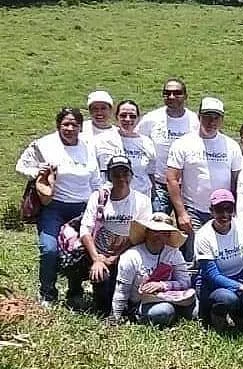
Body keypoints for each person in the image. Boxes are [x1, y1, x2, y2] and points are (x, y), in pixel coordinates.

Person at [15, 107, 102, 307]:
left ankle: (75, 291)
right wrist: (38, 170)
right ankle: (47, 293)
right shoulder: (44, 144)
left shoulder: (88, 147)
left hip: (81, 208)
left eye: (74, 125)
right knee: (49, 249)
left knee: (78, 251)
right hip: (53, 207)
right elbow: (21, 166)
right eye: (66, 124)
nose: (70, 128)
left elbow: (95, 179)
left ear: (81, 127)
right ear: (58, 125)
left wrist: (98, 202)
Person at [166, 97, 242, 263]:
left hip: (223, 211)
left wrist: (235, 210)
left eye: (216, 117)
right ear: (199, 116)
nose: (211, 122)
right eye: (207, 116)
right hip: (194, 211)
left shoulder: (231, 146)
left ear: (221, 120)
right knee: (195, 257)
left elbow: (237, 181)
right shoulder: (183, 143)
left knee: (222, 255)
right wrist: (181, 213)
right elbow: (172, 179)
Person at [80, 156, 152, 315]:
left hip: (128, 251)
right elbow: (85, 229)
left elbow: (141, 234)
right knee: (101, 283)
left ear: (131, 175)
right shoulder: (98, 197)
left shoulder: (142, 201)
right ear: (108, 177)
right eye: (116, 174)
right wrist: (97, 259)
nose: (121, 178)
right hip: (100, 252)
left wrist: (116, 257)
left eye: (125, 173)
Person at [111, 212, 193, 326]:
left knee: (195, 310)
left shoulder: (174, 253)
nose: (158, 236)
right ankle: (142, 316)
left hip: (171, 296)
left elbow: (185, 282)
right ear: (147, 232)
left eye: (163, 233)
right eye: (154, 231)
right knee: (164, 310)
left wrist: (162, 285)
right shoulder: (131, 256)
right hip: (141, 302)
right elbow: (122, 291)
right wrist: (116, 317)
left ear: (168, 235)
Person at [135, 78, 199, 214]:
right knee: (157, 229)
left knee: (188, 228)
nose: (171, 97)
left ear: (186, 96)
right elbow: (136, 141)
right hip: (159, 184)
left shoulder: (195, 121)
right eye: (167, 93)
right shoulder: (151, 119)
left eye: (177, 93)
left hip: (186, 186)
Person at [195, 189, 243, 331]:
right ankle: (212, 315)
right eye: (219, 210)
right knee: (228, 299)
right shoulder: (203, 236)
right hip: (212, 285)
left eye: (229, 209)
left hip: (240, 279)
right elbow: (213, 275)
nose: (224, 214)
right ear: (211, 211)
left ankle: (240, 315)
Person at [96, 100, 156, 196]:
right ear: (116, 117)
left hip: (142, 196)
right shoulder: (103, 140)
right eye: (123, 115)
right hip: (113, 196)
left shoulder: (146, 142)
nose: (128, 119)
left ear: (138, 119)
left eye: (132, 116)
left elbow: (150, 173)